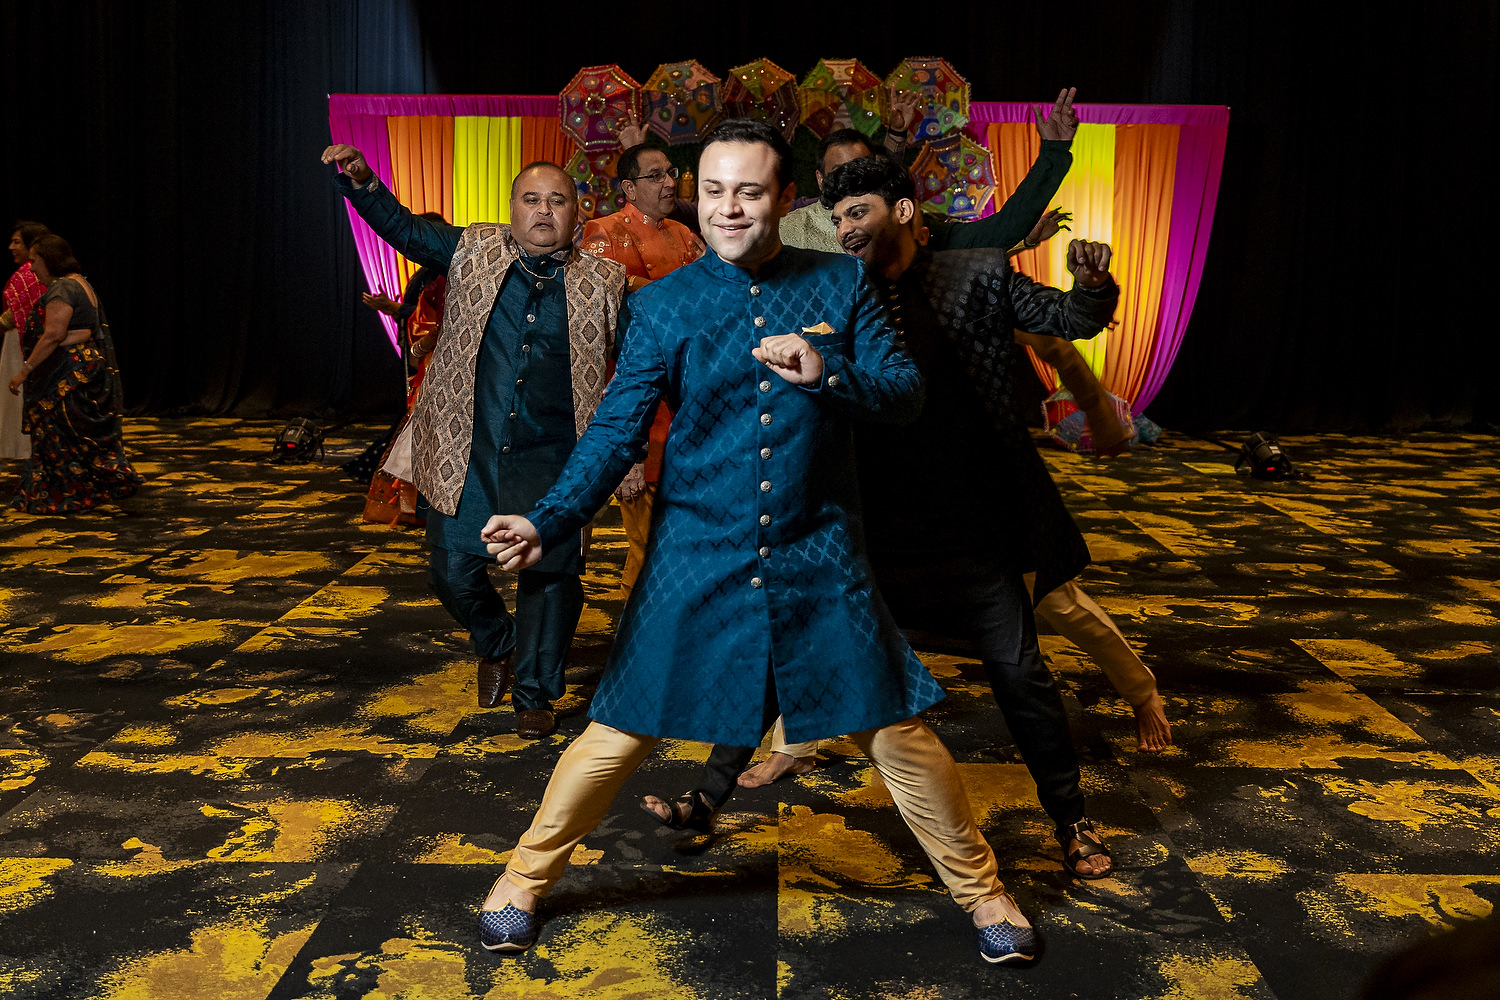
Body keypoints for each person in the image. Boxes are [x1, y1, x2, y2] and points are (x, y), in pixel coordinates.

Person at [475, 119, 1039, 966]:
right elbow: (617, 432)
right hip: (696, 552)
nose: (728, 208)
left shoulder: (843, 281)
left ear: (785, 198)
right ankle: (522, 879)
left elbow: (904, 394)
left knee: (895, 730)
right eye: (713, 191)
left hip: (821, 551)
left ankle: (984, 892)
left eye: (748, 191)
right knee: (620, 728)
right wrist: (545, 519)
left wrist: (828, 372)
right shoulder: (661, 305)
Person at [653, 155, 1121, 881]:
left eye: (858, 212)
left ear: (901, 212)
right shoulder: (836, 287)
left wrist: (1092, 286)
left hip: (969, 522)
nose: (844, 229)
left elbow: (1072, 319)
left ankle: (1071, 818)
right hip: (866, 523)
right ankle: (711, 796)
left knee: (1019, 672)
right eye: (837, 217)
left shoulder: (976, 275)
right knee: (780, 650)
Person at [321, 144, 626, 738]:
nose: (544, 211)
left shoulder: (606, 283)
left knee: (551, 577)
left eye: (557, 201)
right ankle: (498, 641)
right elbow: (405, 229)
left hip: (557, 456)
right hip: (471, 447)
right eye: (532, 199)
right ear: (511, 208)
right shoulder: (472, 249)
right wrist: (362, 182)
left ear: (577, 214)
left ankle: (535, 693)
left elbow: (643, 359)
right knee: (450, 569)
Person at [581, 142, 704, 599]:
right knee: (648, 543)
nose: (670, 183)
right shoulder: (602, 232)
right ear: (629, 188)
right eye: (656, 176)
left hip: (689, 394)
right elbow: (597, 322)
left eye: (671, 172)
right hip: (637, 398)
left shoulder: (685, 234)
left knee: (685, 534)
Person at [779, 88, 1081, 255]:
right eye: (840, 173)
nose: (851, 180)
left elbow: (996, 233)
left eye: (862, 169)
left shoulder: (906, 226)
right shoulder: (789, 231)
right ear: (820, 179)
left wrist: (1052, 153)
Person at [7, 235, 141, 513]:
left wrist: (25, 370)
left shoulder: (63, 287)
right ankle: (89, 489)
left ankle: (65, 495)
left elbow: (53, 335)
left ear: (50, 260)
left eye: (35, 261)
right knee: (75, 436)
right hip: (82, 369)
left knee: (60, 435)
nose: (32, 268)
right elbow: (82, 331)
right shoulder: (80, 282)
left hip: (67, 375)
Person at [357, 216, 449, 527]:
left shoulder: (445, 272)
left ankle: (425, 508)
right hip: (427, 361)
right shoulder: (430, 273)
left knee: (426, 434)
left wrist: (417, 339)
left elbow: (438, 321)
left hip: (439, 364)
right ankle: (415, 508)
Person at [1, 220, 49, 460]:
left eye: (17, 242)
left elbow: (15, 315)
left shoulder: (29, 274)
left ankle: (21, 448)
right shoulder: (32, 272)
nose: (11, 247)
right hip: (21, 341)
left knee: (17, 392)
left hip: (24, 343)